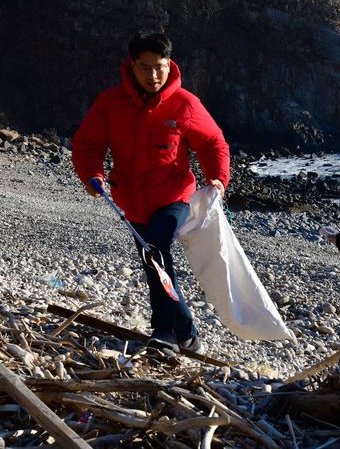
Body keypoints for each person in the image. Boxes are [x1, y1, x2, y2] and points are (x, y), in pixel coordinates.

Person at [72, 31, 230, 354]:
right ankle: (184, 332)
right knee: (151, 259)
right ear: (132, 66)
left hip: (175, 197)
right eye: (145, 68)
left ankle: (167, 331)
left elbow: (213, 142)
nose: (154, 75)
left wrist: (217, 179)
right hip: (131, 201)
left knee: (156, 248)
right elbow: (88, 144)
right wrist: (92, 176)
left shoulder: (185, 104)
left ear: (169, 64)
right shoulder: (111, 103)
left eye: (160, 66)